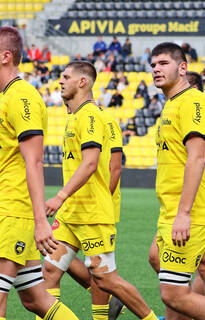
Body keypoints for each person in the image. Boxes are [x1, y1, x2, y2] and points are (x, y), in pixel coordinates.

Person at [42, 60, 158, 320]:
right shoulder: (76, 116)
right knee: (49, 271)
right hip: (71, 212)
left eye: (66, 76)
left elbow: (93, 163)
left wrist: (60, 196)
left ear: (82, 82)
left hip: (92, 212)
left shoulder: (92, 116)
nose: (60, 81)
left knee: (105, 279)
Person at [0, 25, 78, 320]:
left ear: (6, 56)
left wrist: (39, 222)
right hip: (8, 209)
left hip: (13, 210)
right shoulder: (5, 96)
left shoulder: (22, 97)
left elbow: (34, 162)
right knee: (35, 299)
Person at [150, 42, 205, 320]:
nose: (156, 70)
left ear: (182, 68)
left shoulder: (193, 102)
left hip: (191, 212)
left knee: (173, 293)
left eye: (163, 63)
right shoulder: (173, 104)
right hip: (179, 209)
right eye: (153, 65)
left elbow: (197, 158)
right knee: (190, 278)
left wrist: (183, 213)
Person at [64, 108, 125, 320]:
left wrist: (101, 201)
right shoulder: (74, 118)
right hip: (75, 206)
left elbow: (115, 168)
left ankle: (110, 303)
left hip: (97, 208)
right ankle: (107, 298)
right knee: (53, 255)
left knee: (99, 270)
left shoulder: (104, 119)